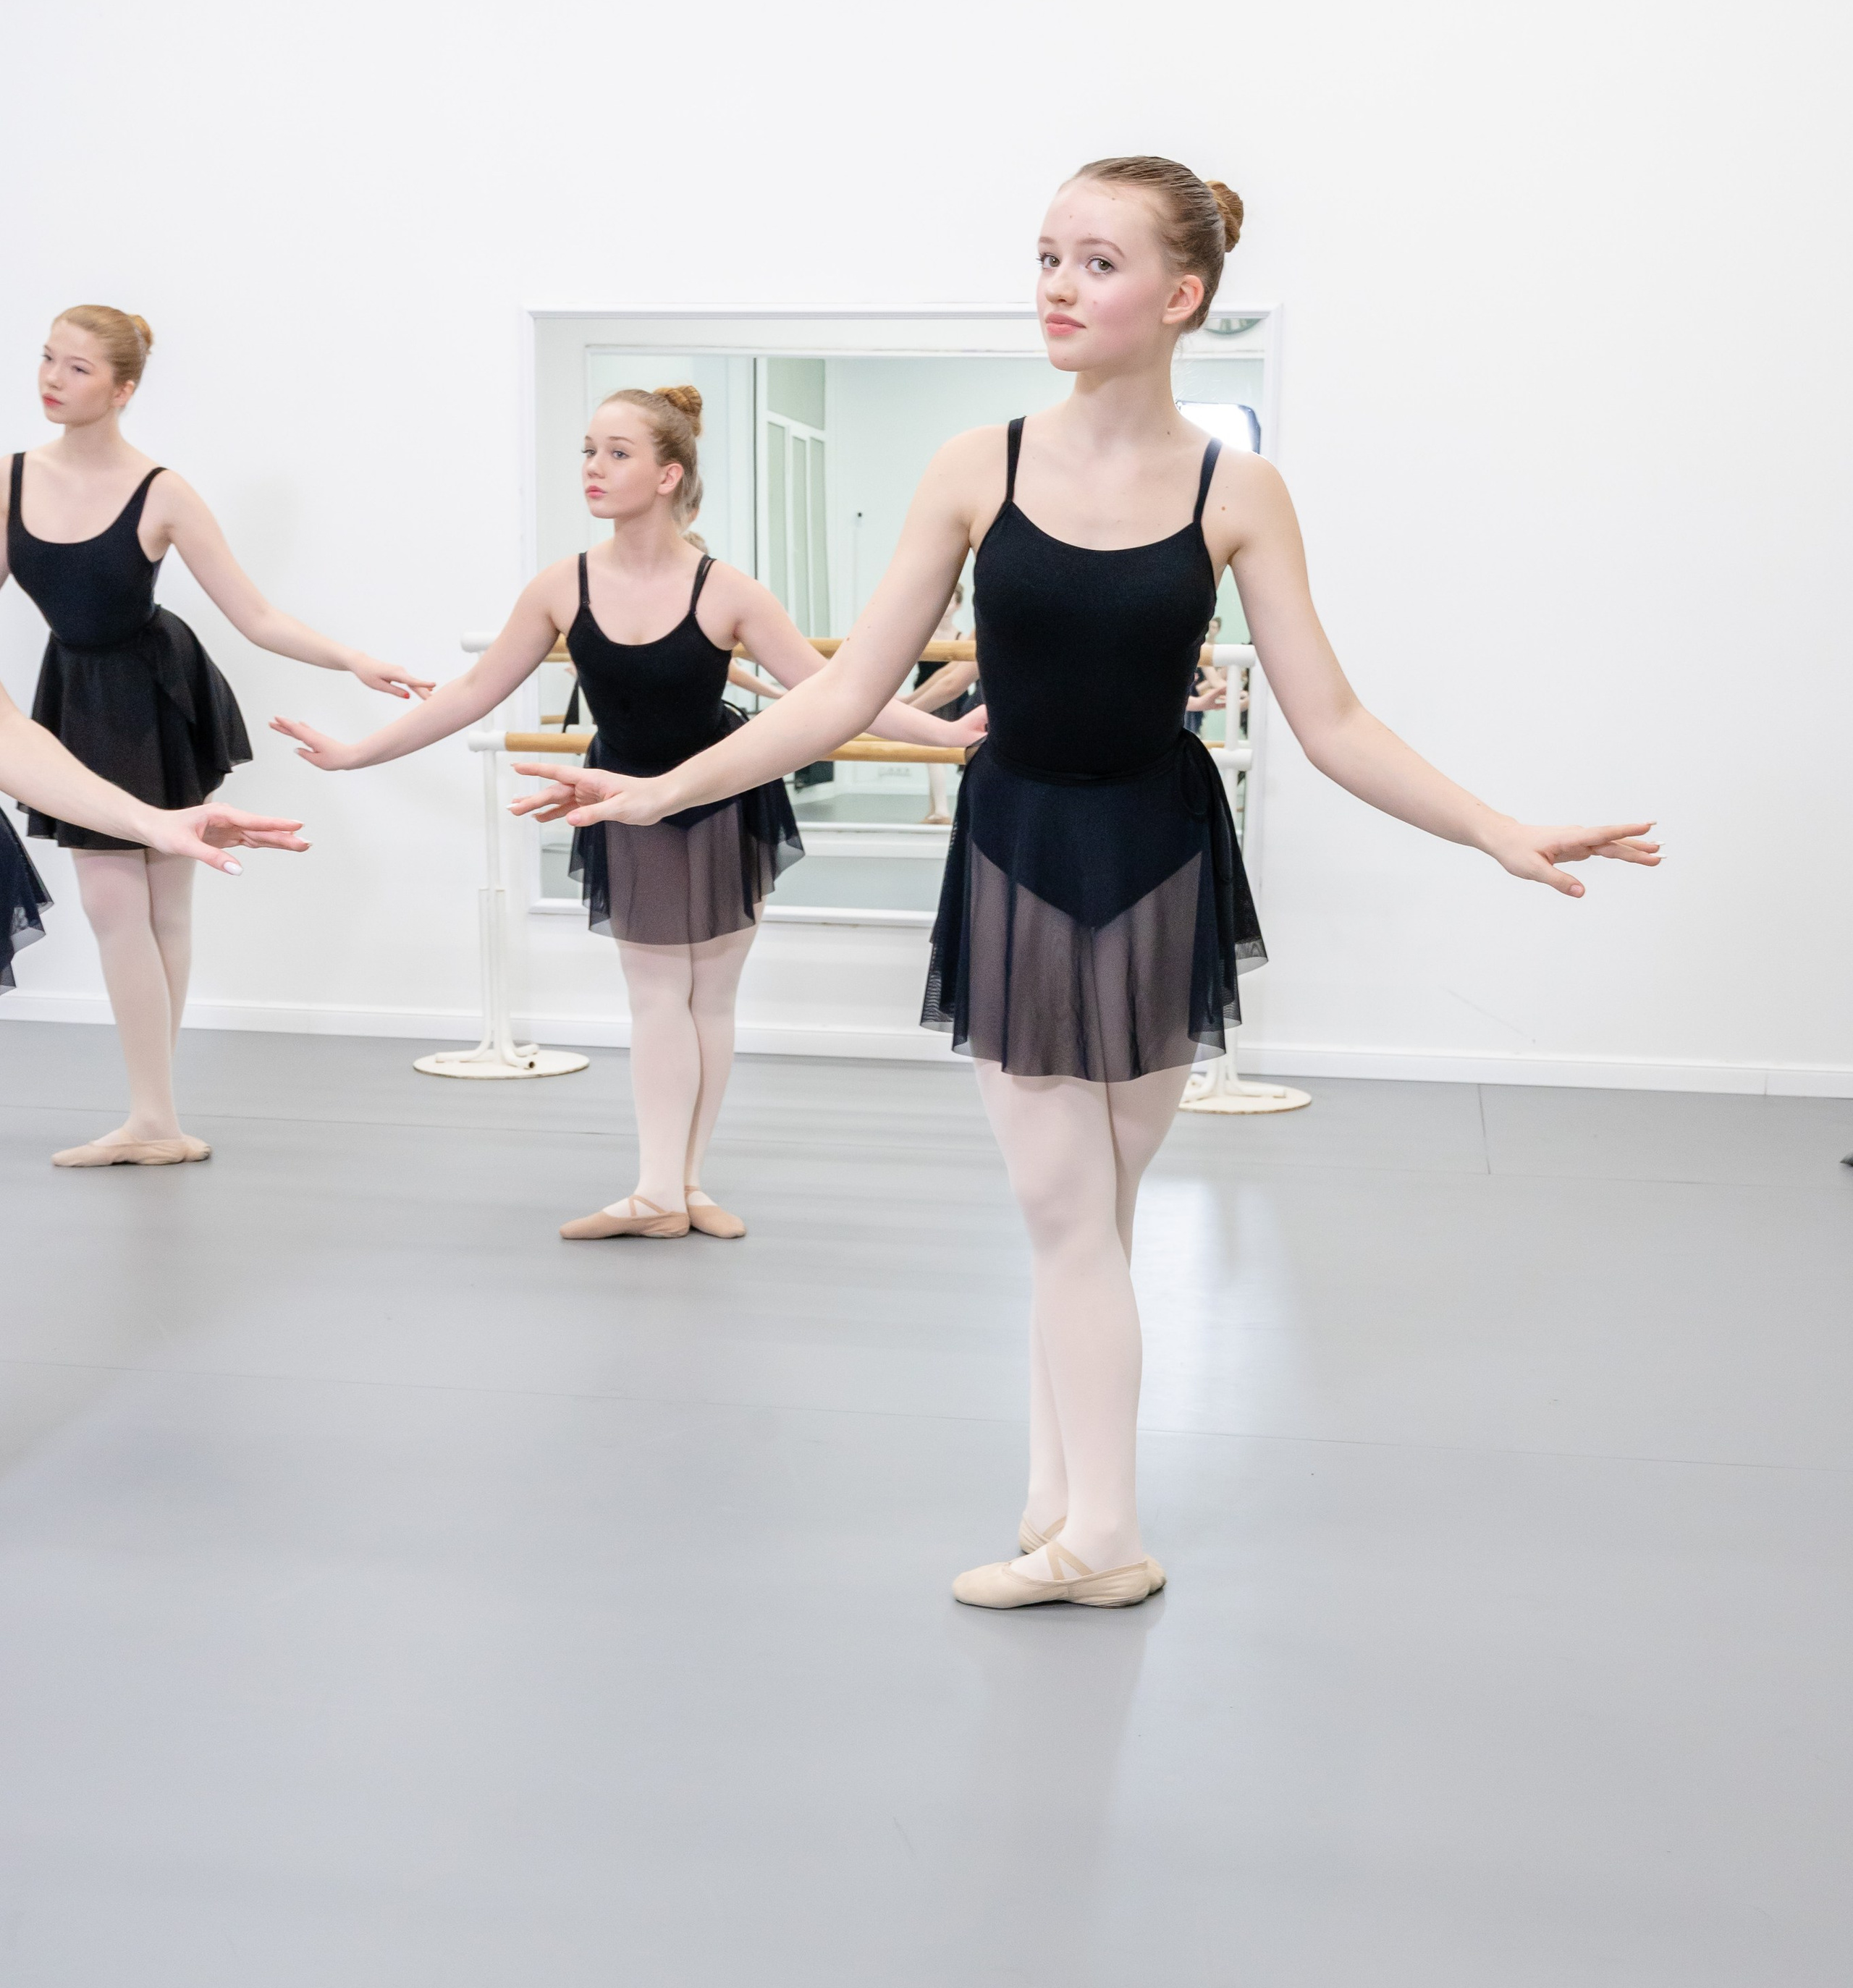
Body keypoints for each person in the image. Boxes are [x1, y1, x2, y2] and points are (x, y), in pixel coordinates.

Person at [510, 158, 1659, 1607]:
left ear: (1179, 296)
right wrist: (662, 786)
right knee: (1067, 1212)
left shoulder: (1235, 489)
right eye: (1045, 255)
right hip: (1018, 851)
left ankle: (1085, 1526)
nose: (1056, 284)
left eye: (1095, 262)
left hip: (1161, 851)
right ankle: (1075, 1515)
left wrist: (1492, 827)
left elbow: (1333, 722)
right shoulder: (972, 466)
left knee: (1095, 1211)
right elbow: (847, 689)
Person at [276, 384, 982, 1240]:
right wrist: (356, 752)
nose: (593, 469)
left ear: (666, 474)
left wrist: (942, 737)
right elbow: (469, 693)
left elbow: (840, 691)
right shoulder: (559, 588)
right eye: (587, 450)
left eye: (616, 453)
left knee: (710, 999)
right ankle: (654, 1189)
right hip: (621, 799)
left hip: (723, 794)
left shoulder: (728, 590)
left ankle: (684, 1185)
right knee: (656, 996)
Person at [3, 309, 429, 1167]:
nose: (52, 378)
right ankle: (154, 1118)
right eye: (48, 359)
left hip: (155, 689)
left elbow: (257, 613)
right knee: (118, 903)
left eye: (78, 368)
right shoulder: (10, 478)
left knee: (155, 904)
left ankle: (154, 1116)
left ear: (122, 389)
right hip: (74, 691)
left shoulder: (162, 490)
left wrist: (351, 657)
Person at [0, 682, 307, 1017]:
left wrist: (151, 823)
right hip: (85, 688)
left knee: (163, 914)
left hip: (149, 690)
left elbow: (7, 732)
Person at [904, 586, 979, 825]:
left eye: (951, 602)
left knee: (937, 753)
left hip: (949, 699)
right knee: (932, 753)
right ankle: (937, 809)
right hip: (929, 693)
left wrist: (907, 708)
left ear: (958, 606)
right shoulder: (924, 635)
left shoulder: (962, 637)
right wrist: (908, 702)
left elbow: (951, 680)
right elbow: (944, 677)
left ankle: (942, 810)